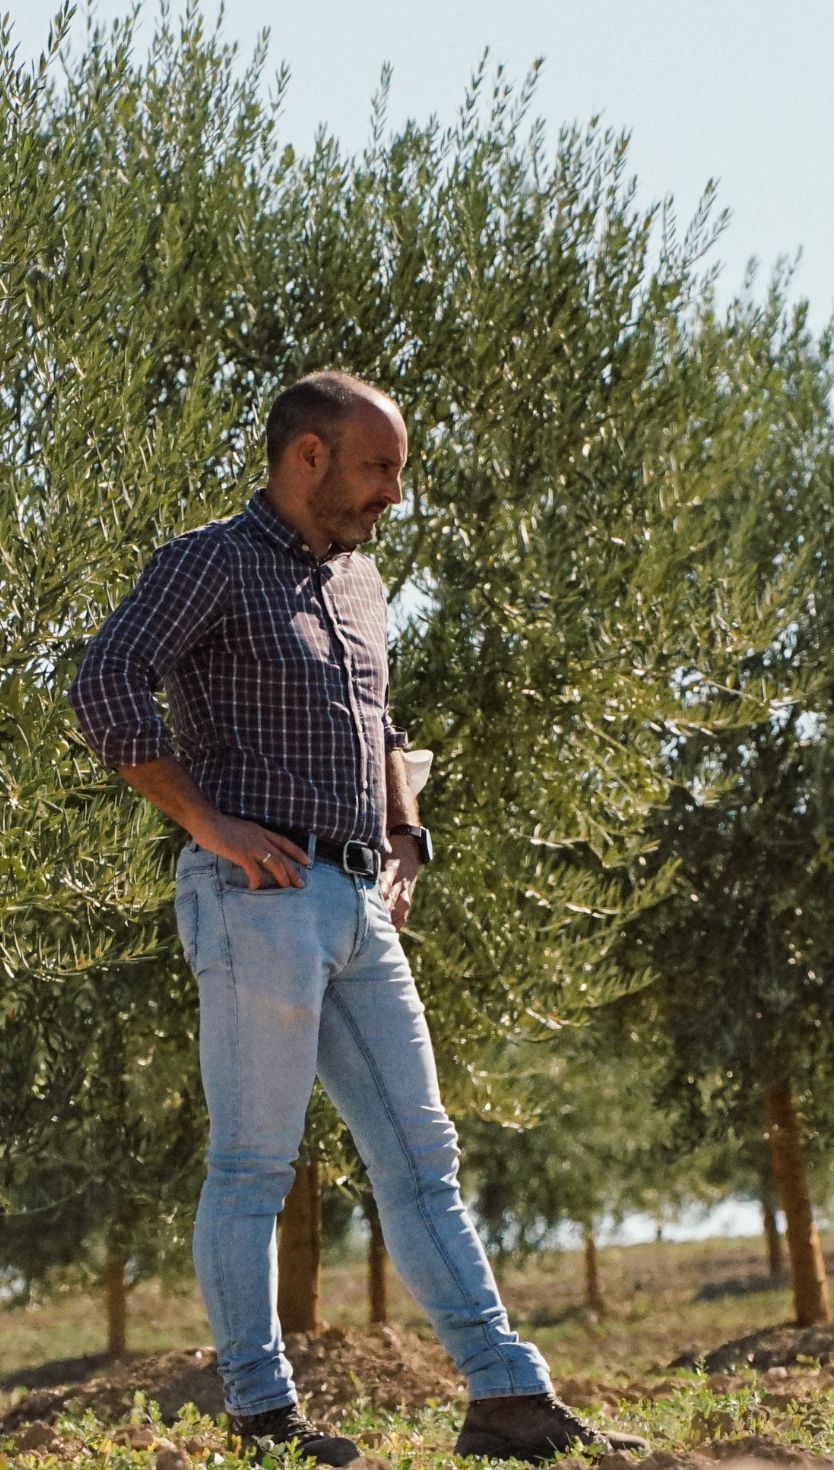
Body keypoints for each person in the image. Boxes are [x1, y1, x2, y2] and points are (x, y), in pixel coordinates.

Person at [68, 372, 647, 1465]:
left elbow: (380, 724)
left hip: (356, 903)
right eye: (380, 468)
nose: (393, 493)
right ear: (308, 459)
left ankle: (504, 1400)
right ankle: (263, 1418)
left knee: (422, 1154)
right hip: (257, 899)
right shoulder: (208, 563)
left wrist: (406, 839)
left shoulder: (364, 584)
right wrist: (209, 823)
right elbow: (104, 684)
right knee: (253, 1165)